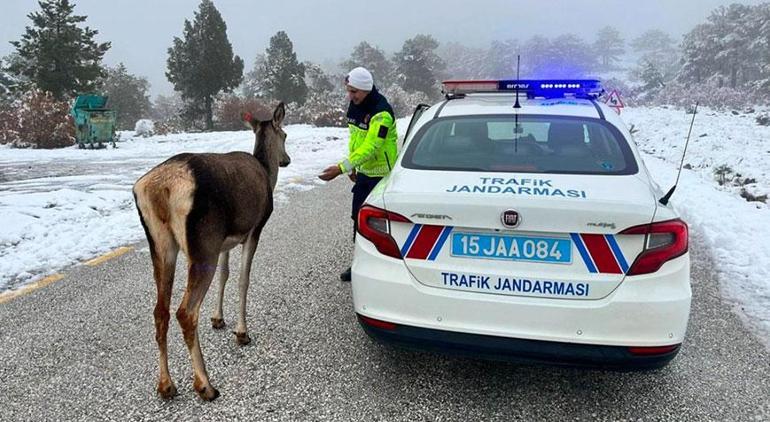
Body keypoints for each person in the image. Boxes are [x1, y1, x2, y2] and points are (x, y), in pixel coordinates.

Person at [318, 67, 398, 282]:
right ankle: (360, 263)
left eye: (354, 91)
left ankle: (387, 264)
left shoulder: (382, 113)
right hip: (364, 173)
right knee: (358, 219)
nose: (350, 96)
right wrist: (354, 166)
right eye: (349, 91)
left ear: (365, 89)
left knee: (383, 224)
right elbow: (356, 141)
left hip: (382, 177)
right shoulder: (355, 106)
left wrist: (341, 168)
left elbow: (372, 146)